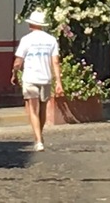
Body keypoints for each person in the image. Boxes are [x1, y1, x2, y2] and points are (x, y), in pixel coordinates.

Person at [12, 10, 63, 152]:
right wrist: (58, 82)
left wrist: (14, 73)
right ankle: (39, 136)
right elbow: (56, 62)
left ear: (31, 24)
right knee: (42, 109)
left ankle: (38, 140)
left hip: (30, 78)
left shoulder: (26, 40)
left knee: (33, 110)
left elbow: (18, 61)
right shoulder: (51, 40)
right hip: (46, 78)